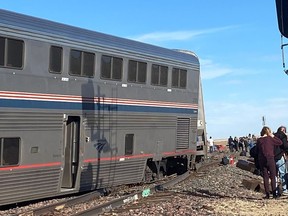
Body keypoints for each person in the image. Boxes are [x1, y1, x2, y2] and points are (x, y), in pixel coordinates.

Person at [256, 126, 283, 199]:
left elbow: (257, 150)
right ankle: (274, 194)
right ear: (269, 132)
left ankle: (267, 195)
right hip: (270, 158)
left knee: (265, 177)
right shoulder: (270, 139)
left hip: (262, 159)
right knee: (273, 176)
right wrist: (273, 136)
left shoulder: (259, 140)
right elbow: (280, 142)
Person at [274, 126, 288, 196]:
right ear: (283, 131)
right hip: (279, 156)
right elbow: (285, 146)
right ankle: (285, 189)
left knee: (274, 175)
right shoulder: (283, 136)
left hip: (272, 157)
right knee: (283, 173)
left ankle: (275, 191)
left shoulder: (273, 136)